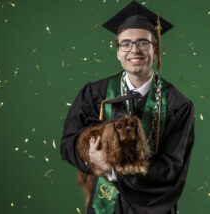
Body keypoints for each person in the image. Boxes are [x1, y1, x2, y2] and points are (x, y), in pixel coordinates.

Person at [60, 1, 195, 214]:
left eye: (143, 42)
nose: (134, 50)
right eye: (125, 44)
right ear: (117, 51)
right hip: (104, 207)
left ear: (156, 49)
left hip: (152, 209)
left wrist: (113, 169)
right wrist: (92, 156)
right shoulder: (95, 94)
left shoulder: (178, 105)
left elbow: (172, 169)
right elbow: (68, 144)